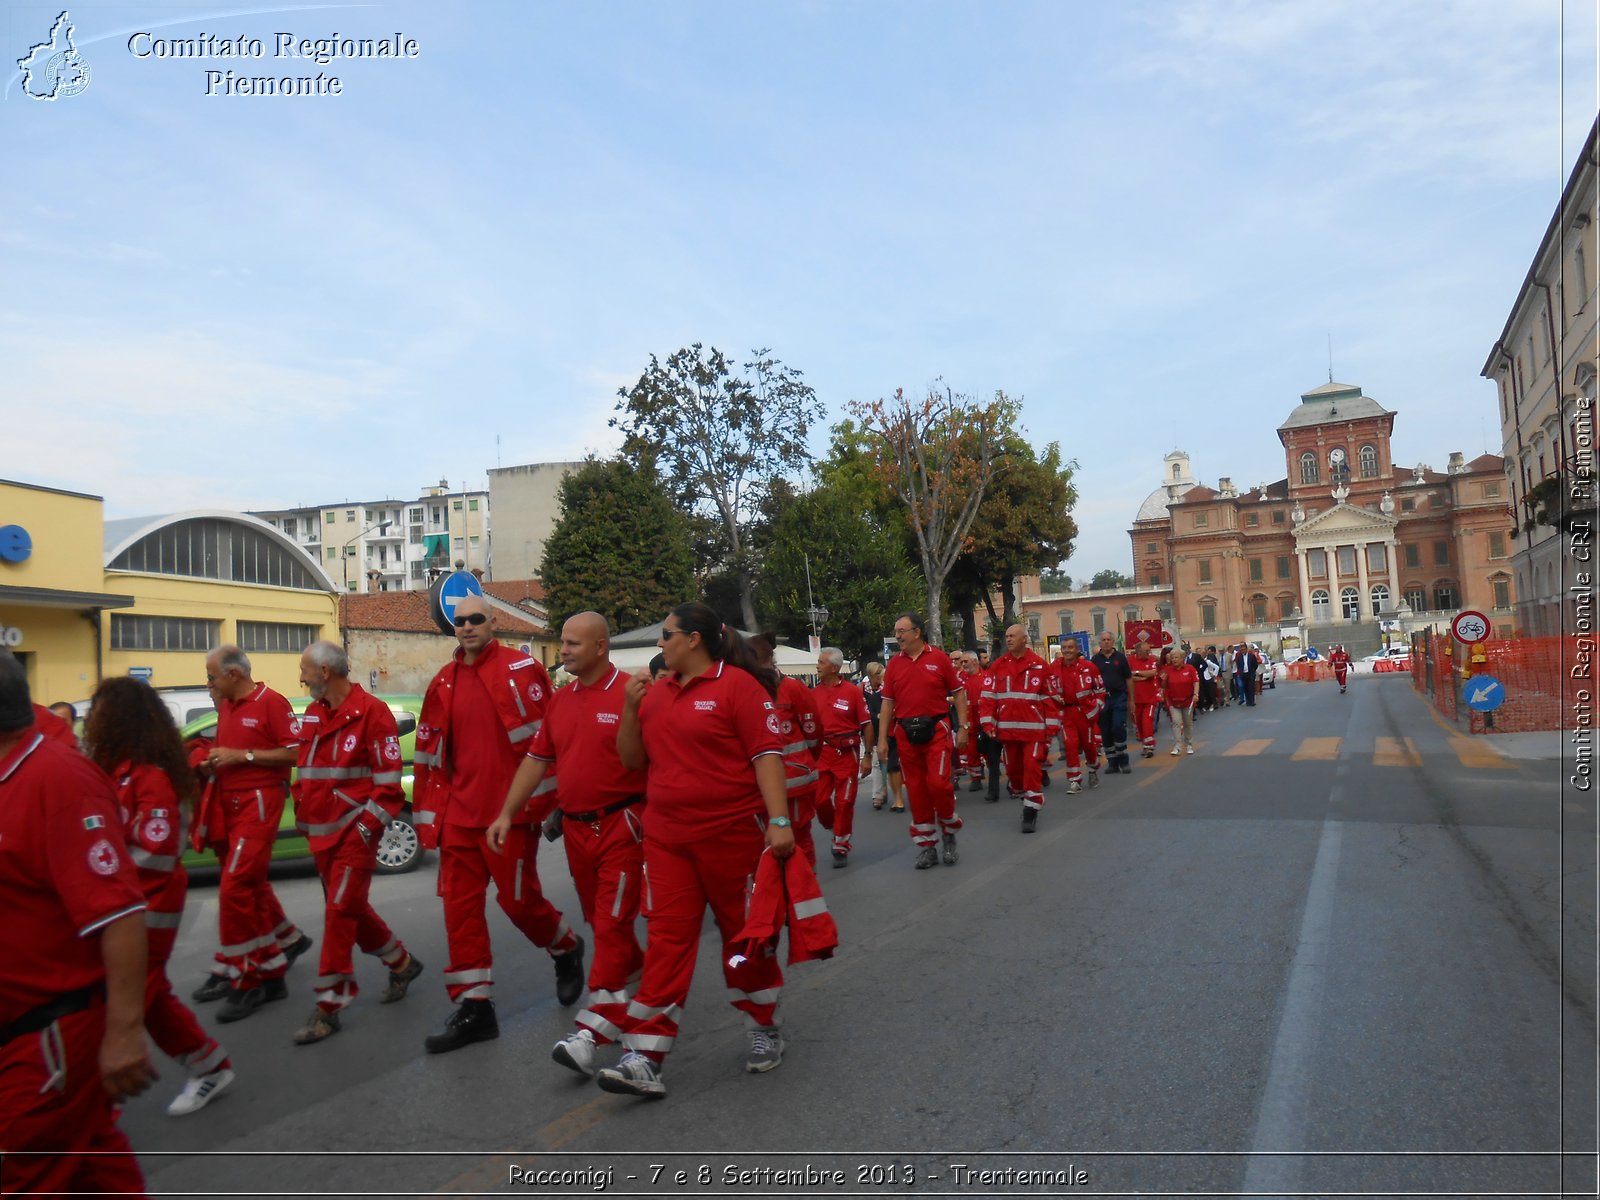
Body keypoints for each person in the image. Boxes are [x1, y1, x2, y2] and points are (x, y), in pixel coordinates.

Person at [597, 603, 794, 1098]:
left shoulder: (738, 688)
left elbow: (766, 755)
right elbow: (629, 759)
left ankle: (763, 1026)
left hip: (733, 836)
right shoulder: (655, 693)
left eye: (666, 634)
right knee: (666, 940)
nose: (659, 643)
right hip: (667, 842)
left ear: (694, 640)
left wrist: (779, 820)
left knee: (743, 939)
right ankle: (644, 1055)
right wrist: (628, 708)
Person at [0, 653, 156, 1196]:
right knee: (93, 1169)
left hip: (48, 1034)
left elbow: (119, 910)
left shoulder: (58, 779)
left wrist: (124, 1031)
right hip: (29, 1030)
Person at [412, 594, 585, 1054]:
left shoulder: (521, 670)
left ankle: (565, 948)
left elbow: (551, 739)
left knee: (519, 902)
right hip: (458, 819)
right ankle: (476, 1008)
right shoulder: (442, 682)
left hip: (510, 816)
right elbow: (429, 757)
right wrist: (431, 818)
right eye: (458, 621)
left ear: (493, 623)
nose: (466, 627)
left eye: (475, 620)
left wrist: (553, 801)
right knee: (459, 913)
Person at [487, 612, 646, 1080]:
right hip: (577, 832)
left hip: (622, 825)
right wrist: (506, 813)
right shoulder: (559, 702)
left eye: (574, 643)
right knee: (602, 924)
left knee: (614, 925)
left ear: (601, 647)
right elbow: (536, 762)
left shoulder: (631, 694)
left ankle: (592, 1033)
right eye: (563, 642)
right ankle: (645, 990)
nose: (564, 650)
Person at [83, 677, 236, 1116]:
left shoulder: (152, 779)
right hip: (126, 907)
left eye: (97, 712)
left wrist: (101, 890)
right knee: (150, 997)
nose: (90, 721)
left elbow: (152, 854)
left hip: (146, 909)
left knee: (124, 1002)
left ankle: (91, 1104)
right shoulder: (118, 772)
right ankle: (210, 1066)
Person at [289, 642, 423, 1046]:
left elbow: (388, 788)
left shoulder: (373, 714)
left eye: (305, 671)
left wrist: (366, 829)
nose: (301, 678)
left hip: (352, 834)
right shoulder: (313, 713)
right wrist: (301, 808)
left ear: (326, 672)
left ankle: (328, 1007)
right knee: (349, 907)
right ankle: (401, 963)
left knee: (340, 912)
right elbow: (305, 770)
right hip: (321, 832)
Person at [196, 644, 313, 1023]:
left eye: (212, 677)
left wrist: (242, 757)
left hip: (258, 803)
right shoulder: (227, 705)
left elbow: (296, 754)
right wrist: (215, 759)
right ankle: (278, 959)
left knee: (234, 888)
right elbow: (230, 749)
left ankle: (247, 978)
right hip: (229, 804)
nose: (209, 684)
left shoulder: (271, 703)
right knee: (252, 885)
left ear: (233, 674)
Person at [877, 613, 968, 869]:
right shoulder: (894, 664)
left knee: (938, 785)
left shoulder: (939, 658)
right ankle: (927, 846)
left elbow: (959, 694)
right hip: (905, 733)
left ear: (917, 632)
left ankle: (948, 830)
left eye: (902, 631)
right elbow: (887, 703)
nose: (897, 636)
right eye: (896, 631)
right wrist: (882, 739)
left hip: (936, 730)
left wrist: (964, 727)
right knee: (916, 791)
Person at [755, 634, 822, 869]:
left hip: (794, 782)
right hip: (760, 786)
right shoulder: (746, 690)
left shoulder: (793, 688)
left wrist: (802, 763)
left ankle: (803, 890)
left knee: (799, 839)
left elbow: (813, 733)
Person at [988, 624, 1058, 834]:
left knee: (1032, 768)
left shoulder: (1040, 666)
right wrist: (988, 723)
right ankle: (1020, 790)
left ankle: (1030, 812)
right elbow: (988, 697)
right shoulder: (998, 665)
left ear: (1024, 639)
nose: (1008, 639)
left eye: (1012, 636)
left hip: (1034, 732)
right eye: (1007, 636)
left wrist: (1051, 729)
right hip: (1008, 733)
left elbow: (1051, 700)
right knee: (1013, 772)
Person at [810, 646, 871, 867]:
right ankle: (833, 824)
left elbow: (866, 724)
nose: (817, 665)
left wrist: (868, 755)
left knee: (844, 802)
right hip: (821, 755)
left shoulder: (852, 692)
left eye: (821, 662)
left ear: (834, 668)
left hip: (847, 754)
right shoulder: (812, 695)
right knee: (820, 800)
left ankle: (840, 845)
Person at [1051, 638, 1105, 793]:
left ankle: (1093, 769)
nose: (1067, 650)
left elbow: (1100, 690)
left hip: (1085, 713)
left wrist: (1096, 708)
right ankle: (1074, 779)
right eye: (1064, 647)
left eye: (1070, 647)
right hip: (1066, 712)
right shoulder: (1054, 667)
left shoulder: (1089, 667)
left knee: (1089, 746)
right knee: (1070, 745)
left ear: (1077, 649)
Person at [861, 661, 904, 812]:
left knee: (887, 762)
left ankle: (885, 793)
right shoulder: (862, 690)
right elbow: (862, 710)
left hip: (887, 729)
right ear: (871, 676)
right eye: (879, 675)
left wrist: (884, 716)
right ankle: (879, 794)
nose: (882, 678)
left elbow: (892, 706)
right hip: (870, 728)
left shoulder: (886, 689)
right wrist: (875, 715)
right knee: (877, 762)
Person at [1090, 632, 1132, 773]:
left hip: (1119, 696)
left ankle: (1123, 760)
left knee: (1117, 726)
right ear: (1099, 643)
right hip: (1102, 699)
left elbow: (1128, 678)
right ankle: (1112, 762)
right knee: (1105, 730)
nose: (1106, 642)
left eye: (1109, 639)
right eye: (1103, 640)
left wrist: (1131, 698)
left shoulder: (1120, 658)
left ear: (1113, 641)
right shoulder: (1095, 660)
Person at [1127, 639, 1162, 759]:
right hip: (1135, 699)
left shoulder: (1152, 659)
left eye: (1149, 650)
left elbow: (1152, 673)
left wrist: (1136, 673)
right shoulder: (1130, 660)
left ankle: (1150, 746)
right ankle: (1145, 745)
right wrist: (1140, 676)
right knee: (1139, 724)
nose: (1149, 652)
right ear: (1138, 651)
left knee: (1147, 721)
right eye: (1146, 651)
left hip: (1150, 699)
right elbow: (1128, 677)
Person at [1162, 647, 1199, 755]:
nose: (1174, 660)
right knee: (1176, 722)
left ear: (1182, 658)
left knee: (1188, 723)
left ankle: (1189, 744)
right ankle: (1177, 745)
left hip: (1187, 701)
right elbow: (1163, 686)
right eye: (1172, 658)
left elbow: (1196, 682)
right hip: (1173, 701)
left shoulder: (1190, 668)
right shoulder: (1168, 670)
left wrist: (1196, 694)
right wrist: (1163, 680)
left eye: (1176, 657)